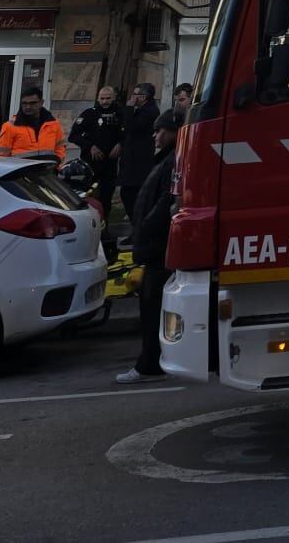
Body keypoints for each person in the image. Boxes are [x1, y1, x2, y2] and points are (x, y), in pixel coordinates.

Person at [118, 110, 183, 385]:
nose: (155, 136)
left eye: (160, 130)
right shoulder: (167, 159)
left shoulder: (173, 161)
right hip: (155, 245)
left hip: (158, 247)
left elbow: (165, 203)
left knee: (152, 309)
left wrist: (145, 227)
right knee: (151, 308)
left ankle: (150, 365)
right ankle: (151, 363)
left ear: (174, 131)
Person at [69, 85, 125, 218]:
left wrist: (121, 144)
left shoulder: (121, 114)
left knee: (106, 196)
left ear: (114, 98)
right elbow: (73, 136)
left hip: (110, 164)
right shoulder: (89, 114)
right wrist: (90, 146)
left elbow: (129, 134)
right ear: (98, 99)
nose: (105, 101)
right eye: (102, 98)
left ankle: (104, 225)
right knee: (87, 195)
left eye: (108, 98)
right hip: (90, 163)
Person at [116, 83, 161, 229]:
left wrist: (129, 108)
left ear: (143, 97)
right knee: (127, 194)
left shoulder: (150, 111)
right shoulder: (141, 110)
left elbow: (132, 127)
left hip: (139, 164)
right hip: (130, 160)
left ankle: (139, 228)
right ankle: (136, 228)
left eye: (135, 94)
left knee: (131, 195)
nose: (132, 97)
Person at [0, 88, 65, 162]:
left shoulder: (54, 124)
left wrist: (57, 163)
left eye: (33, 103)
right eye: (24, 103)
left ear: (41, 103)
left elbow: (60, 148)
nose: (28, 107)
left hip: (47, 168)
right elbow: (2, 157)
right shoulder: (10, 126)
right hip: (21, 169)